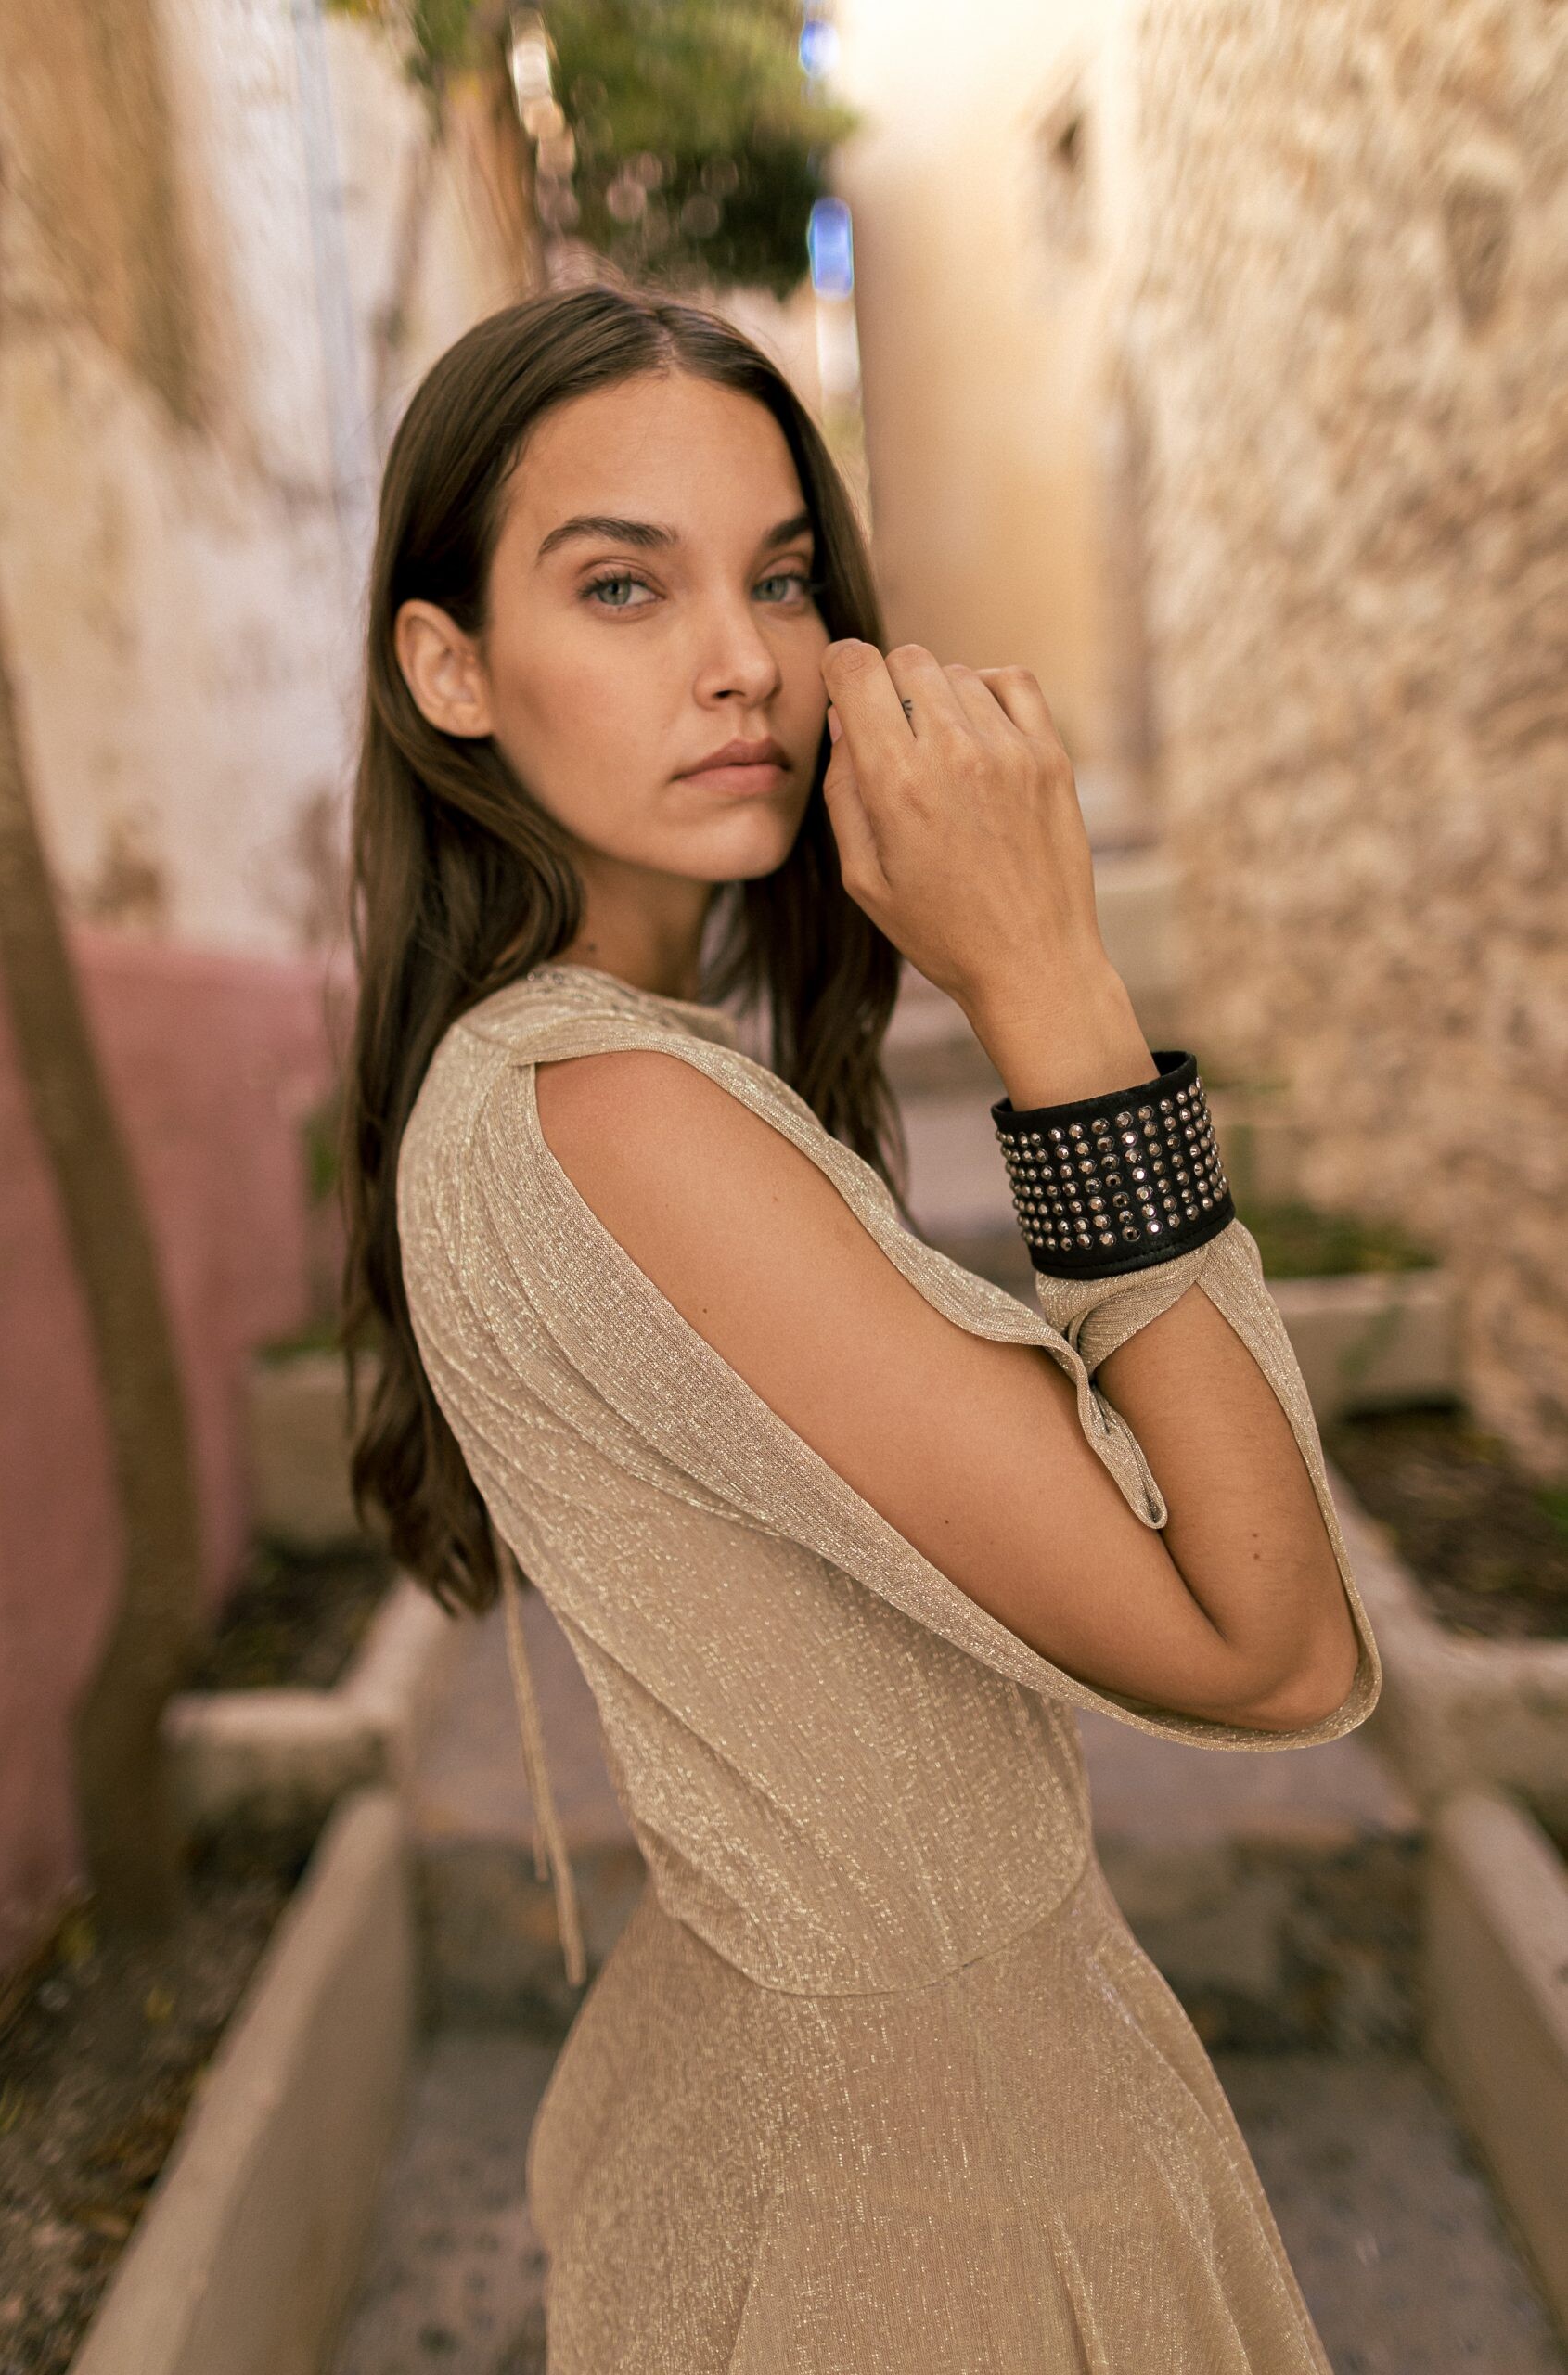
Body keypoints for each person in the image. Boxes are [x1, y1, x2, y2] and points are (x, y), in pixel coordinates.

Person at [340, 278, 1379, 2372]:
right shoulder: (612, 1111)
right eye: (621, 585)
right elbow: (1266, 1643)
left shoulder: (548, 1076)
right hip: (933, 2220)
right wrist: (1053, 988)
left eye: (783, 577)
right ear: (448, 668)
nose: (744, 661)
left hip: (851, 2130)